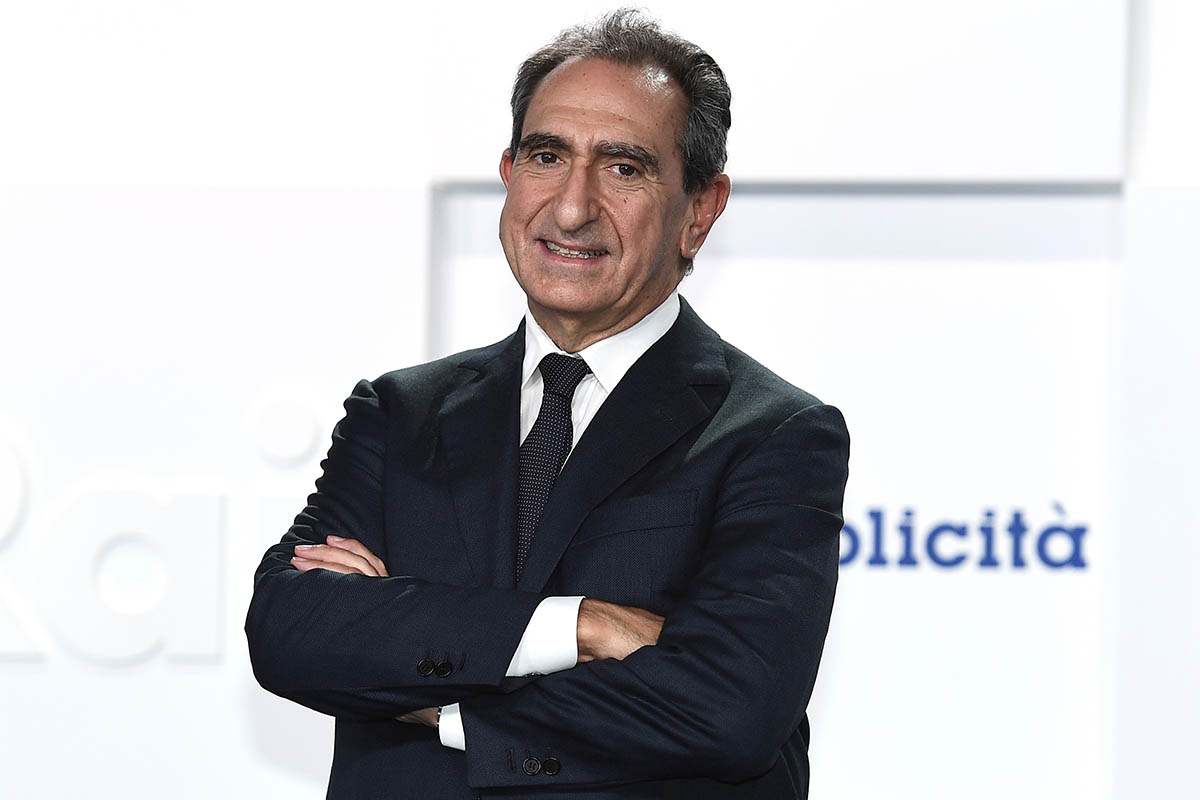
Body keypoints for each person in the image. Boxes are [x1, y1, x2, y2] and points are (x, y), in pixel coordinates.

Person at [244, 8, 849, 799]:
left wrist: (433, 699)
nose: (571, 207)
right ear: (508, 173)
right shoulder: (400, 414)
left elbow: (729, 708)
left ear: (700, 210)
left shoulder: (774, 434)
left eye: (623, 168)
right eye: (546, 156)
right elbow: (290, 632)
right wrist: (579, 625)